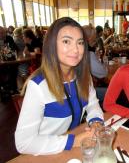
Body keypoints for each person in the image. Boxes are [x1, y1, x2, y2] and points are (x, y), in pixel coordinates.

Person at [15, 17, 104, 155]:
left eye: (80, 43)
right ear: (52, 45)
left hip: (71, 148)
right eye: (66, 41)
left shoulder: (84, 77)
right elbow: (23, 143)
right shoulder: (38, 86)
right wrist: (72, 141)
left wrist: (96, 121)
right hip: (45, 152)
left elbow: (93, 104)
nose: (75, 49)